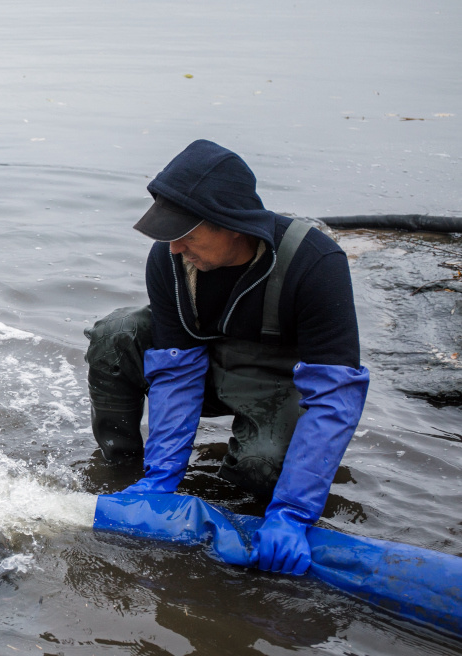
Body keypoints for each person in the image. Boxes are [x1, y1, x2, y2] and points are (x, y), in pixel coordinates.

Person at [84, 139, 369, 576]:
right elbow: (176, 371)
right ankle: (123, 470)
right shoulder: (170, 258)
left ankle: (261, 511)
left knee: (260, 473)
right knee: (116, 332)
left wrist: (293, 511)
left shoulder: (316, 262)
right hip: (205, 368)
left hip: (275, 380)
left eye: (186, 235)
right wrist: (161, 477)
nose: (173, 248)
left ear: (232, 225)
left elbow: (333, 397)